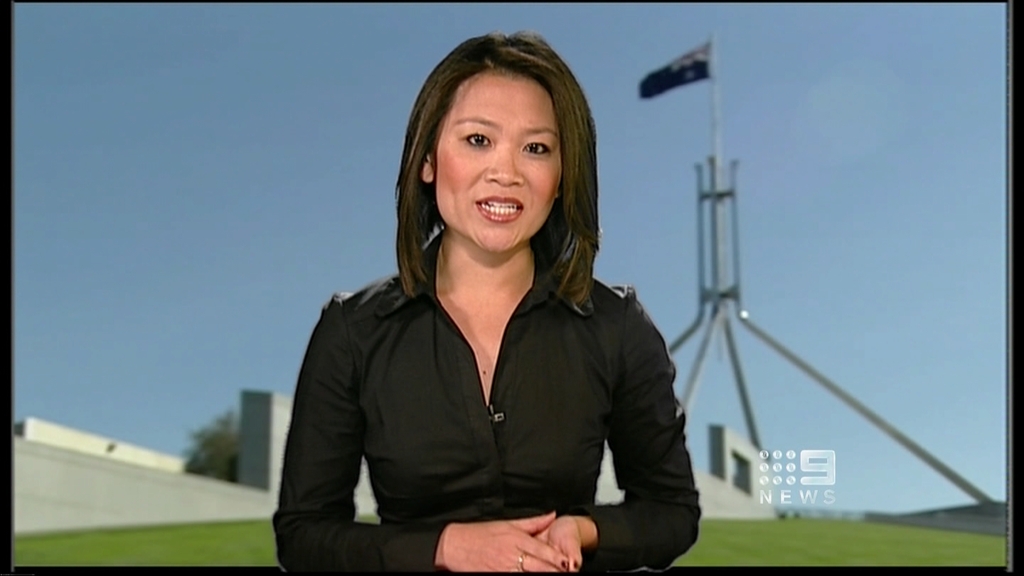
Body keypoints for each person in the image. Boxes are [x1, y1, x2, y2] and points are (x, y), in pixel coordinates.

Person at [273, 30, 701, 572]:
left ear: (562, 175)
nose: (506, 173)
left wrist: (583, 531)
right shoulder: (353, 331)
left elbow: (671, 512)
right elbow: (304, 535)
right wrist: (447, 547)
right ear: (428, 160)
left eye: (536, 148)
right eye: (478, 140)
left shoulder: (617, 326)